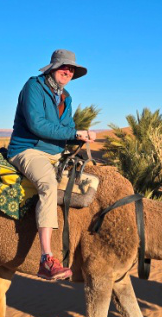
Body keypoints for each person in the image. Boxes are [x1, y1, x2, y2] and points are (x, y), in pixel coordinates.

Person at [7, 49, 96, 281]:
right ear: (53, 68)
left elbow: (66, 128)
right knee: (47, 184)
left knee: (90, 176)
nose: (68, 71)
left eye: (72, 69)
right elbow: (37, 125)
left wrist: (80, 137)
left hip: (55, 153)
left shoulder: (66, 97)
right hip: (28, 150)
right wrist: (73, 132)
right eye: (64, 67)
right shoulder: (33, 87)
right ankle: (46, 258)